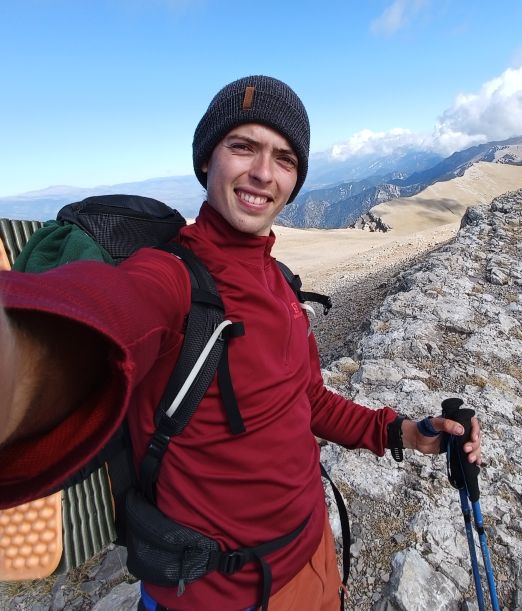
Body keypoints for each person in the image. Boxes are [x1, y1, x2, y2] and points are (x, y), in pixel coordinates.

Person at [0, 75, 481, 611]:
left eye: (284, 159)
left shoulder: (279, 283)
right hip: (215, 596)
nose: (263, 173)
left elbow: (308, 400)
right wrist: (21, 348)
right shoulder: (170, 278)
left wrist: (404, 432)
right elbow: (108, 312)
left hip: (313, 557)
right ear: (207, 159)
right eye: (243, 146)